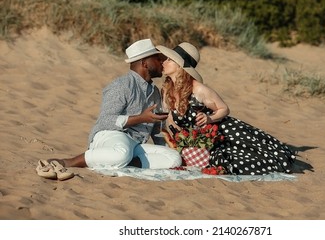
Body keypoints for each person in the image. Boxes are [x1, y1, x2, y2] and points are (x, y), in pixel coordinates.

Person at [38, 39, 182, 178]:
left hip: (135, 145)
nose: (161, 62)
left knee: (173, 158)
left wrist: (166, 146)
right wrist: (141, 118)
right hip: (111, 136)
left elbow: (157, 129)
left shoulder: (154, 92)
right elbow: (105, 120)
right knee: (121, 153)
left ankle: (122, 163)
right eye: (157, 58)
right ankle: (66, 162)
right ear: (145, 63)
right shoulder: (121, 85)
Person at [156, 42, 296, 175]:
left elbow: (224, 109)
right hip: (196, 139)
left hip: (221, 132)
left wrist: (209, 118)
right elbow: (170, 119)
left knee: (235, 160)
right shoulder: (167, 89)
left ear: (180, 66)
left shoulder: (198, 89)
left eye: (169, 60)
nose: (163, 62)